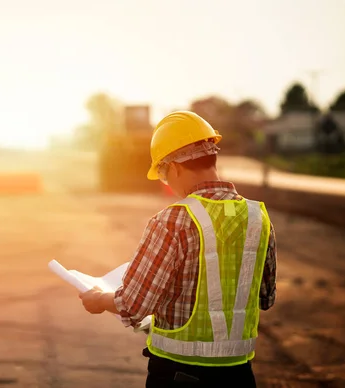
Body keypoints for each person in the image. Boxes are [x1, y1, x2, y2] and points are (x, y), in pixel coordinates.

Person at [79, 111, 277, 387]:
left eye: (162, 174)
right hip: (239, 375)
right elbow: (265, 298)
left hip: (178, 375)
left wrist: (100, 300)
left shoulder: (173, 219)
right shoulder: (258, 217)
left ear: (174, 166)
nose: (167, 182)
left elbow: (133, 304)